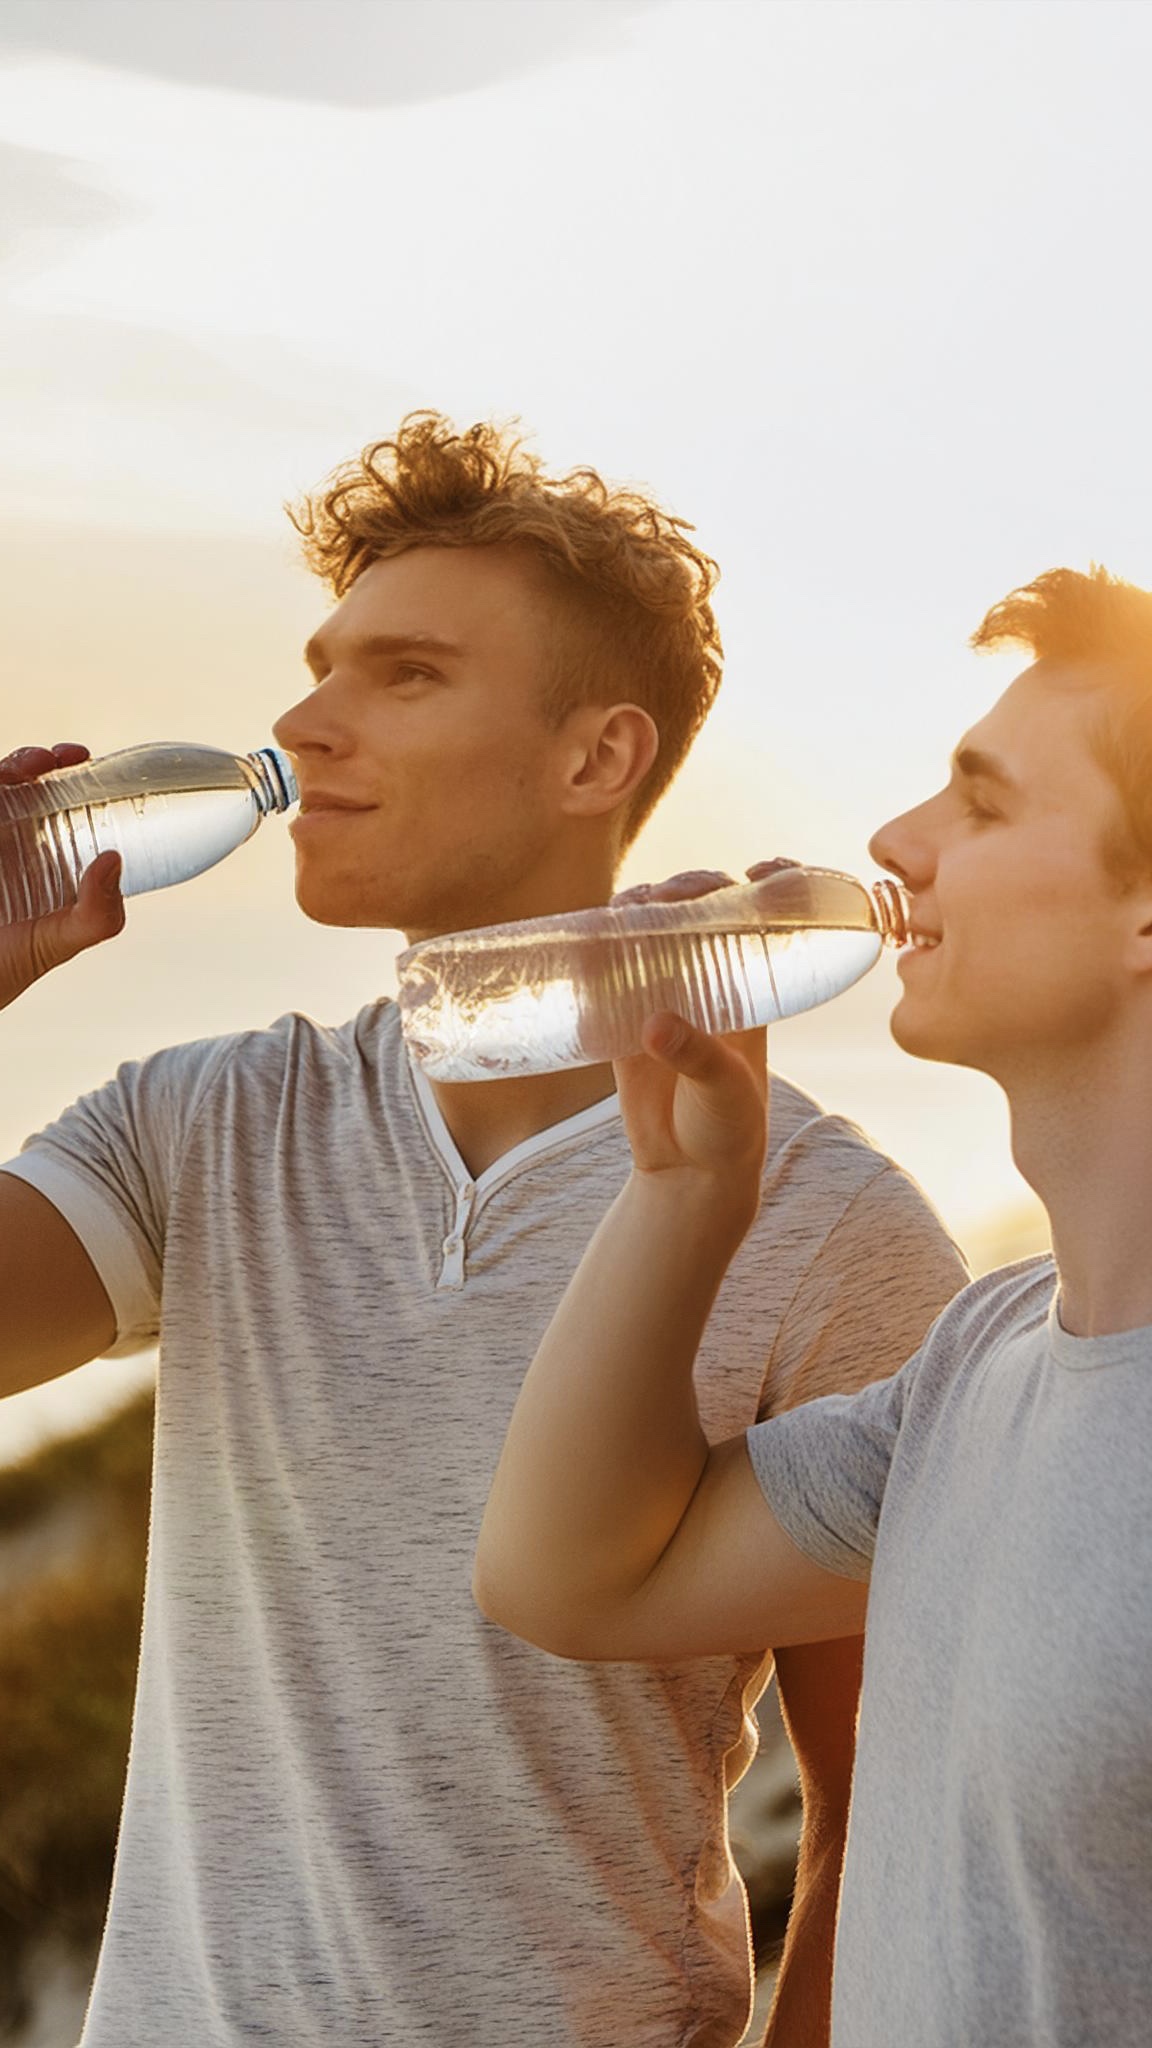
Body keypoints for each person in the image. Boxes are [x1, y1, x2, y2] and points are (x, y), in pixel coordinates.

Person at [0, 414, 965, 2048]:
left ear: (597, 758)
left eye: (408, 675)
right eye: (321, 669)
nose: (306, 724)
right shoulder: (207, 1125)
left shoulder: (828, 1223)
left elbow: (902, 1805)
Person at [474, 564, 1152, 2048]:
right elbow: (567, 1579)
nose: (895, 842)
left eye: (980, 804)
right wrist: (683, 1193)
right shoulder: (977, 1366)